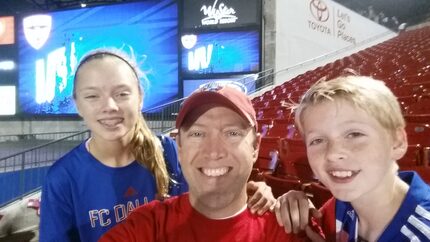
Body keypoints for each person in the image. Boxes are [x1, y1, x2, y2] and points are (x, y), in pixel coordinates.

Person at [39, 50, 275, 242]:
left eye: (121, 94)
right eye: (92, 96)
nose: (109, 106)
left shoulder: (168, 151)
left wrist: (251, 193)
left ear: (140, 97)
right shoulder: (63, 178)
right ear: (77, 104)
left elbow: (203, 206)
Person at [100, 82, 317, 241]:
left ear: (255, 147)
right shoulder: (147, 225)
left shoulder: (289, 230)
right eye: (197, 134)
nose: (213, 151)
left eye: (231, 133)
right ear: (180, 147)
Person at [276, 75, 430, 241]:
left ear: (397, 142)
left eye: (354, 134)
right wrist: (294, 203)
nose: (333, 153)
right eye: (318, 140)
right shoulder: (341, 204)